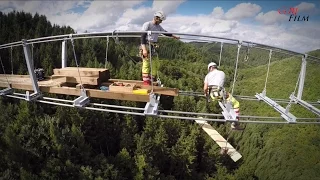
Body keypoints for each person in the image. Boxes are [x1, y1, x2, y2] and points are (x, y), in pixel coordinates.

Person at [140, 11, 180, 85]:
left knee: (156, 63)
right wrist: (144, 49)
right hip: (146, 45)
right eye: (160, 20)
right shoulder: (147, 24)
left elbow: (165, 32)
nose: (161, 22)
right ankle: (146, 81)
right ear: (156, 18)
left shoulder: (158, 27)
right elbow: (142, 37)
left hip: (153, 46)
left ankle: (152, 79)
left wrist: (174, 36)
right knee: (146, 63)